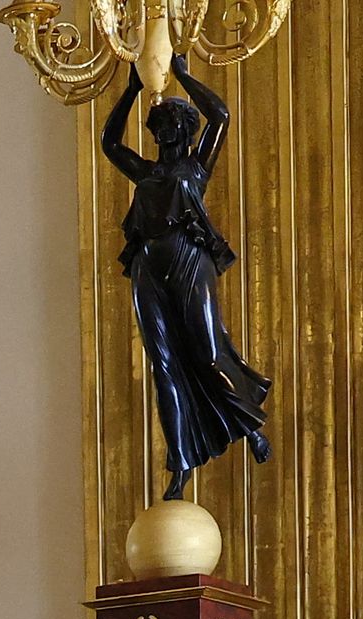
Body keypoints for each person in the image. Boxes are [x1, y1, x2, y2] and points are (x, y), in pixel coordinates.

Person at [103, 64, 270, 499]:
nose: (165, 131)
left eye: (173, 123)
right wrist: (132, 89)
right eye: (159, 125)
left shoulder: (197, 167)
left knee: (208, 352)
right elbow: (109, 143)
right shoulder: (145, 173)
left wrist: (180, 72)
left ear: (186, 129)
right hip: (147, 267)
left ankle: (248, 425)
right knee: (163, 366)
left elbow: (221, 115)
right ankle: (179, 465)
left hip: (189, 259)